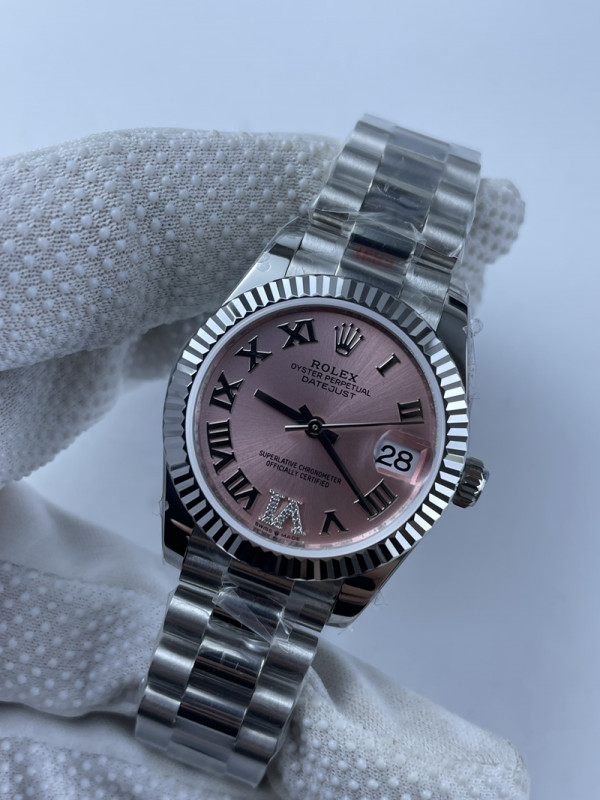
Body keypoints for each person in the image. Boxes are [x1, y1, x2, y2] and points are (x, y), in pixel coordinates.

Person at [0, 125, 528, 799]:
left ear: (453, 479)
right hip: (259, 518)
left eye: (322, 425)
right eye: (312, 421)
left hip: (289, 534)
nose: (317, 426)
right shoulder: (275, 293)